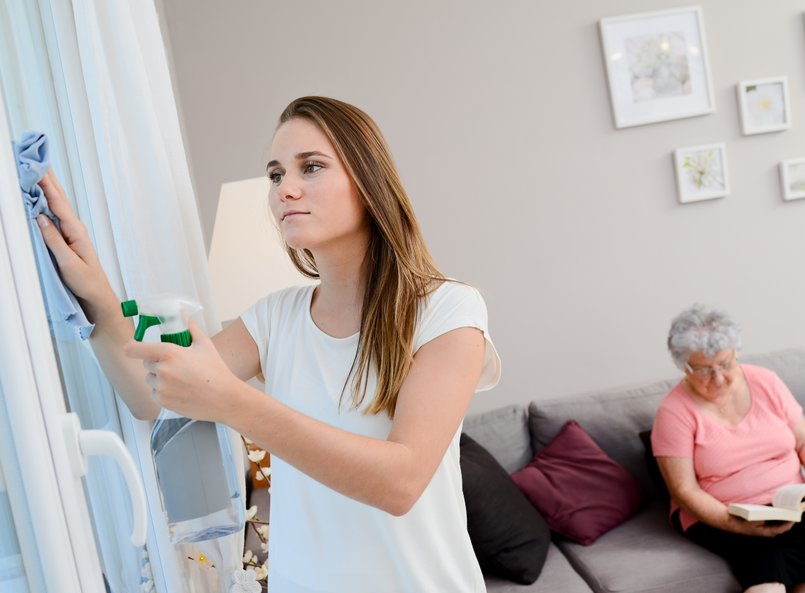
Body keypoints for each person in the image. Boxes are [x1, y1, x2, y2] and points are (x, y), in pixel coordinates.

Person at [37, 96, 501, 593]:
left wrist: (232, 403)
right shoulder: (273, 318)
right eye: (276, 174)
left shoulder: (449, 310)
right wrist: (97, 294)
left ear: (369, 183)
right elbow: (150, 395)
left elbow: (401, 482)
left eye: (312, 167)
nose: (286, 189)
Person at [651, 304, 805, 593]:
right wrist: (735, 524)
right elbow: (684, 490)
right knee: (766, 570)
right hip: (722, 512)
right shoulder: (673, 412)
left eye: (725, 364)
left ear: (736, 353)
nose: (718, 378)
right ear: (684, 366)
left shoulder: (765, 381)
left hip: (788, 501)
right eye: (704, 370)